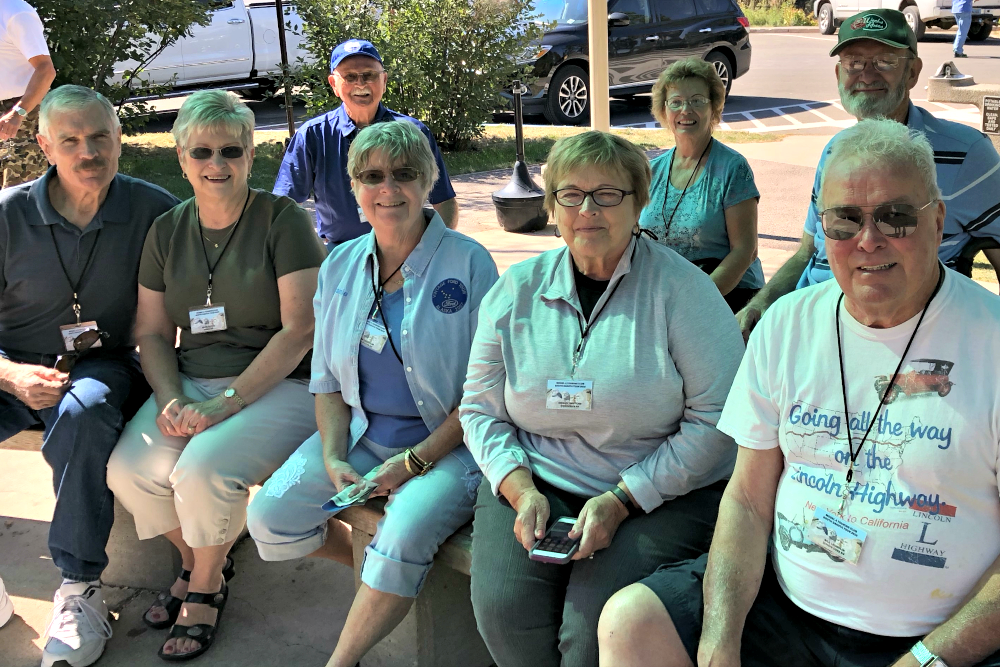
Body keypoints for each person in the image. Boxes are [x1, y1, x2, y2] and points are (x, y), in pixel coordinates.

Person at [598, 119, 1000, 667]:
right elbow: (746, 497)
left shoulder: (991, 340)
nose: (869, 240)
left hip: (934, 637)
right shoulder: (786, 324)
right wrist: (720, 639)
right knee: (632, 623)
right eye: (844, 221)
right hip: (787, 609)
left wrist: (926, 660)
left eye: (896, 216)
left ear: (937, 220)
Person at [460, 131, 745, 667]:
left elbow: (718, 422)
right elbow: (478, 407)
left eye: (608, 194)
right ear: (552, 206)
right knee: (504, 610)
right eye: (571, 195)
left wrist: (623, 500)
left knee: (590, 631)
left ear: (639, 203)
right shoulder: (516, 290)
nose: (587, 210)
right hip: (536, 477)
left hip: (657, 493)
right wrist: (519, 489)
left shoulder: (685, 293)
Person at [247, 119, 497, 667]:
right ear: (355, 188)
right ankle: (382, 577)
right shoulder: (339, 263)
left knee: (402, 532)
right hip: (360, 436)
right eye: (373, 176)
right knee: (270, 512)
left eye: (404, 175)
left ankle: (343, 658)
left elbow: (486, 391)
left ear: (427, 181)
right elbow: (329, 382)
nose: (389, 189)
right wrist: (334, 456)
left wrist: (412, 463)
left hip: (449, 448)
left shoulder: (469, 261)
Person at [106, 89, 327, 662]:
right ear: (181, 158)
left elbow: (300, 331)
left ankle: (204, 587)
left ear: (251, 156)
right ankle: (203, 558)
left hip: (283, 384)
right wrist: (173, 397)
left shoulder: (283, 221)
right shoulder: (167, 231)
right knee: (129, 470)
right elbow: (152, 332)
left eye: (232, 150)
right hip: (193, 384)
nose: (217, 164)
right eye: (201, 152)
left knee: (200, 471)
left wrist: (224, 403)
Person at [0, 84, 179, 667]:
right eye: (71, 140)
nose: (88, 152)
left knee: (85, 411)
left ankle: (79, 588)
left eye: (100, 136)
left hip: (101, 363)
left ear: (120, 139)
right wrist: (8, 374)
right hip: (9, 362)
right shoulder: (8, 217)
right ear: (45, 145)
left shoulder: (152, 209)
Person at [737, 8, 1000, 338]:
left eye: (885, 61)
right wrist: (760, 306)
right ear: (838, 74)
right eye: (854, 63)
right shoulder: (836, 150)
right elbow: (808, 252)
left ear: (913, 72)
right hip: (814, 324)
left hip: (904, 334)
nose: (867, 74)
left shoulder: (967, 154)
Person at [273, 38, 459, 247]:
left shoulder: (414, 134)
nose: (360, 84)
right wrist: (308, 254)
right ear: (334, 84)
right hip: (340, 252)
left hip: (407, 250)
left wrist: (437, 249)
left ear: (384, 80)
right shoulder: (313, 136)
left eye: (369, 75)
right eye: (350, 76)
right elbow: (284, 208)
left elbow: (444, 201)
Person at [640, 57, 762, 313]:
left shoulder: (732, 168)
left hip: (728, 296)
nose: (686, 110)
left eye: (697, 101)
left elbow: (745, 251)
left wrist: (696, 300)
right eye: (676, 102)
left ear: (713, 107)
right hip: (668, 299)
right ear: (664, 110)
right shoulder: (652, 171)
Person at [0, 0, 55, 188]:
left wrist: (18, 113)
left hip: (20, 117)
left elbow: (46, 70)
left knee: (19, 200)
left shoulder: (16, 12)